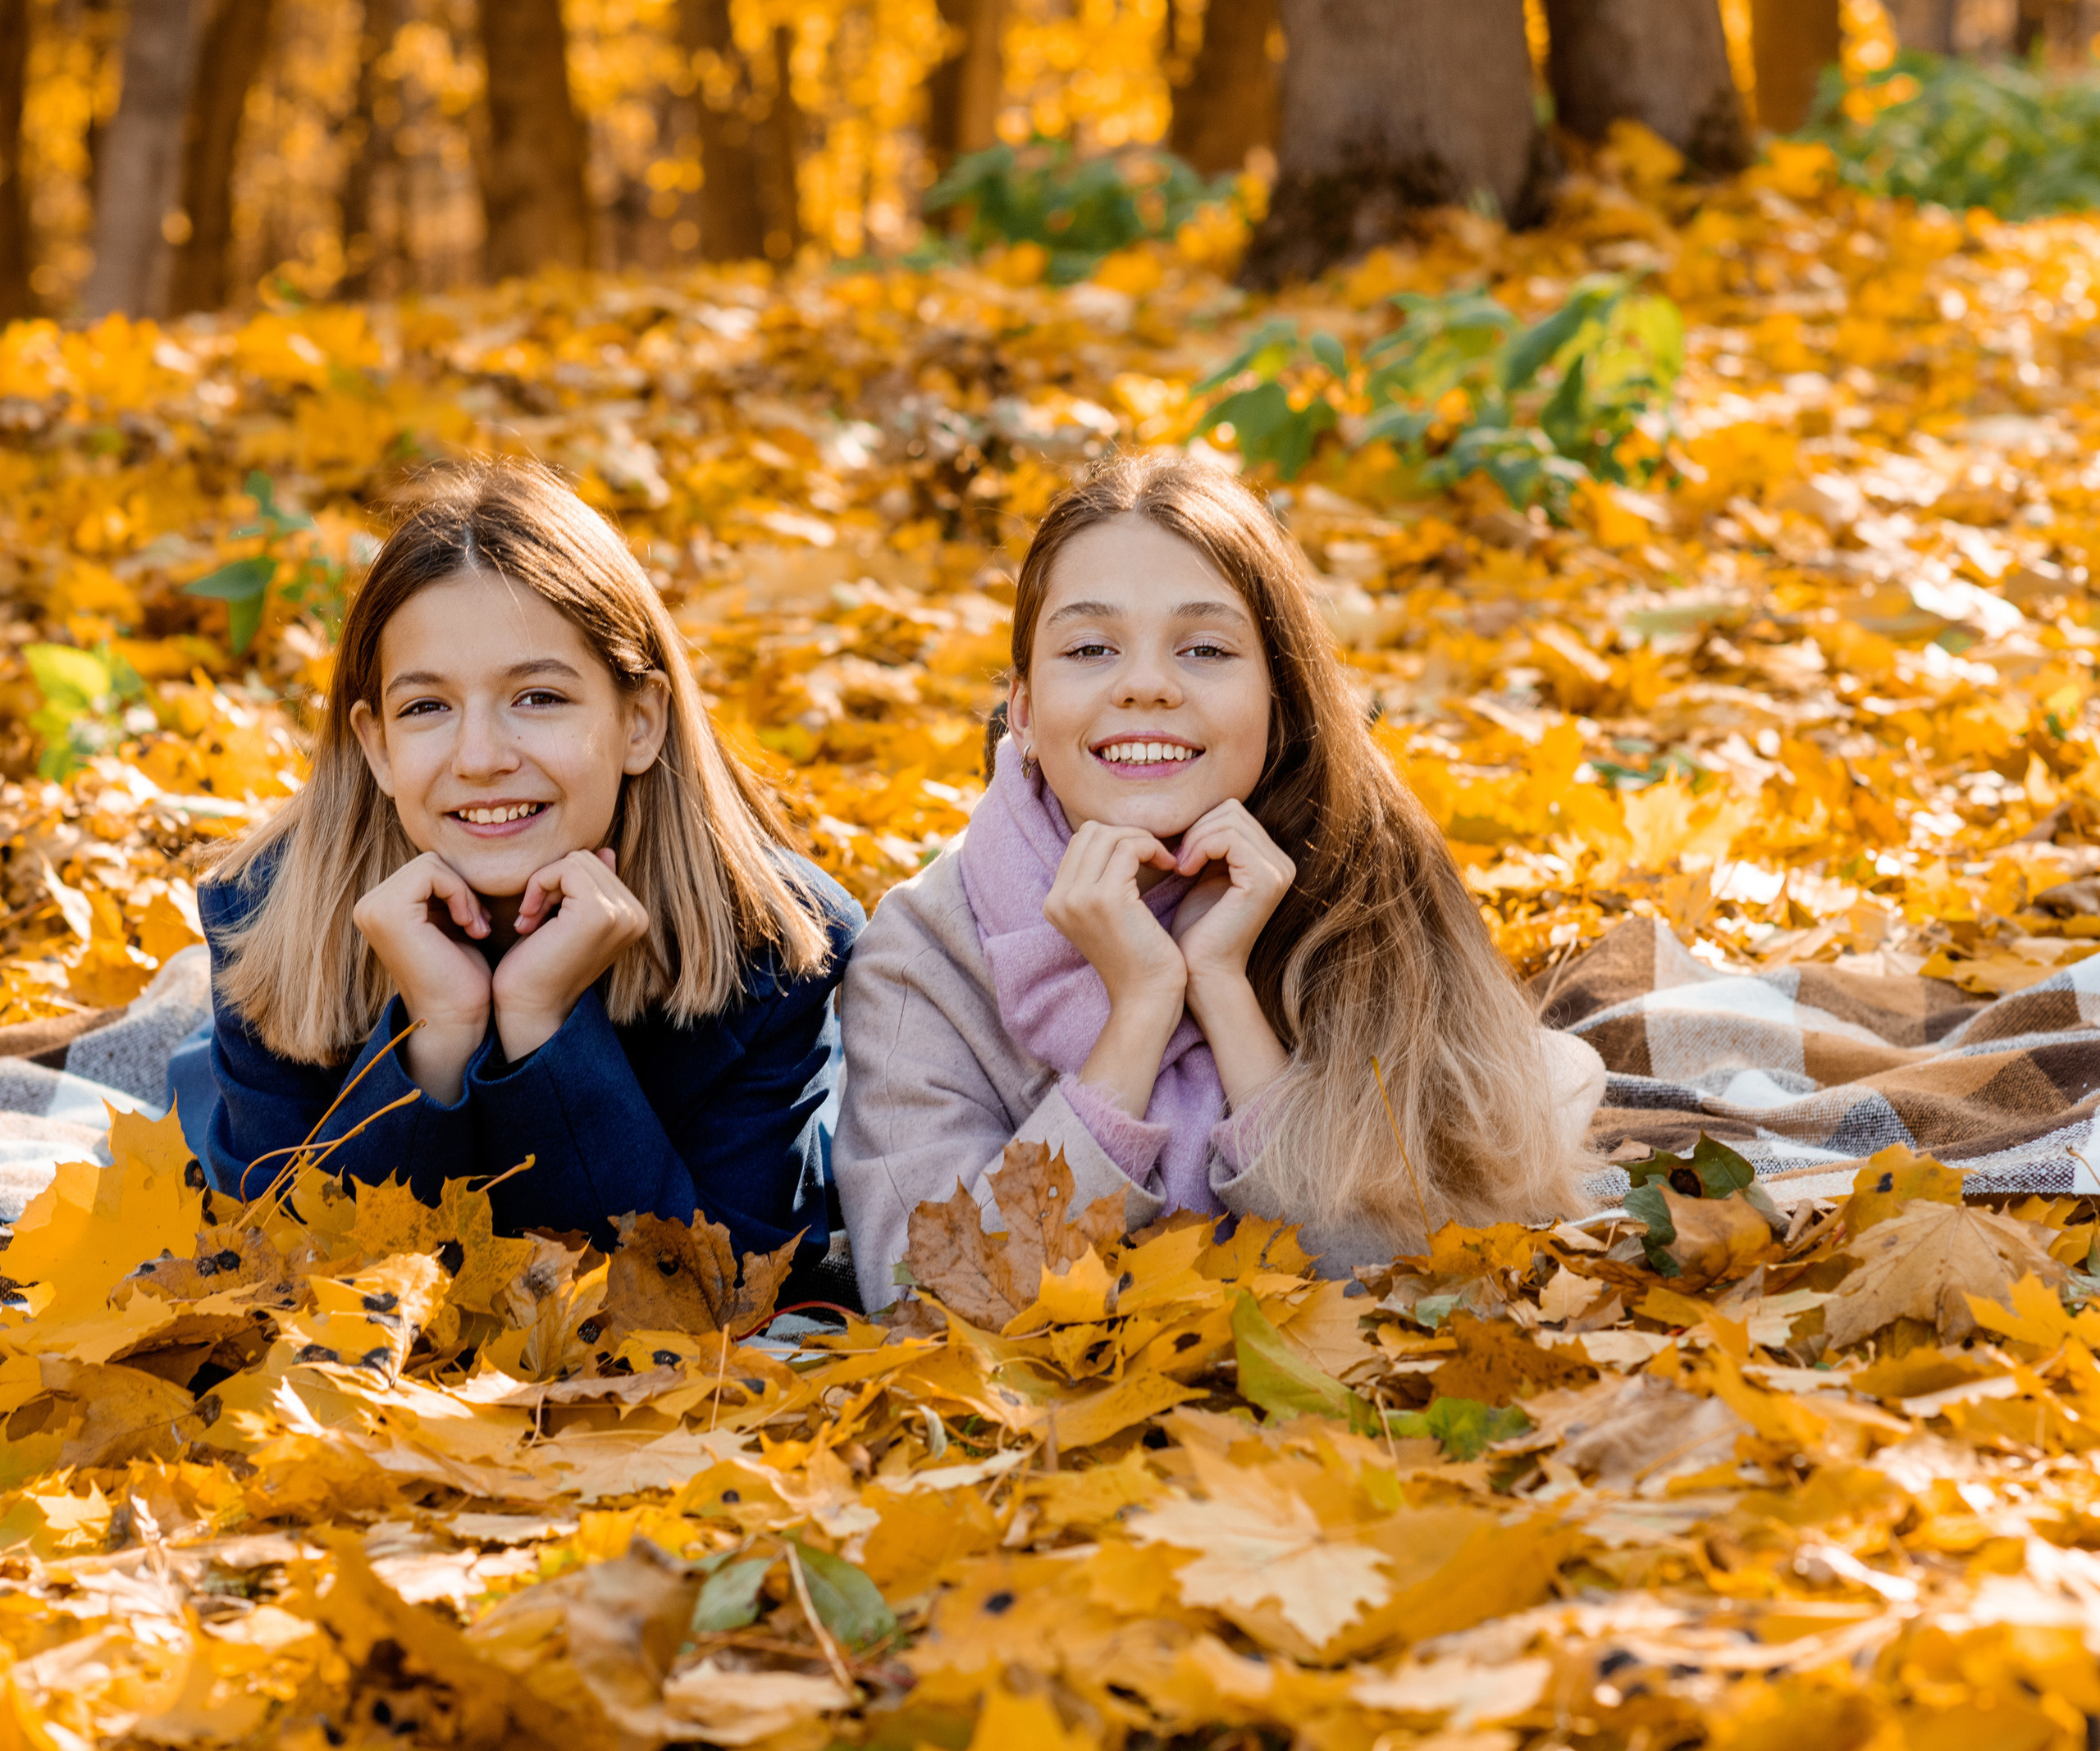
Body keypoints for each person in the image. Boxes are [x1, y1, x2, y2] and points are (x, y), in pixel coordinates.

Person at [834, 453, 1604, 1308]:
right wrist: (1139, 1013)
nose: (1147, 685)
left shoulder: (1368, 883)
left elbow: (1419, 1275)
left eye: (1204, 649)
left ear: (1278, 699)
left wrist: (1222, 989)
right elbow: (923, 1300)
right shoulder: (925, 951)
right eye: (1090, 648)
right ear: (1021, 707)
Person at [178, 458, 861, 1256]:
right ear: (378, 746)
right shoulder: (267, 915)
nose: (479, 756)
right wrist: (438, 1031)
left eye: (538, 697)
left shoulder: (772, 948)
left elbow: (721, 1292)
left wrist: (542, 1024)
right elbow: (291, 1273)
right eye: (427, 706)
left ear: (639, 720)